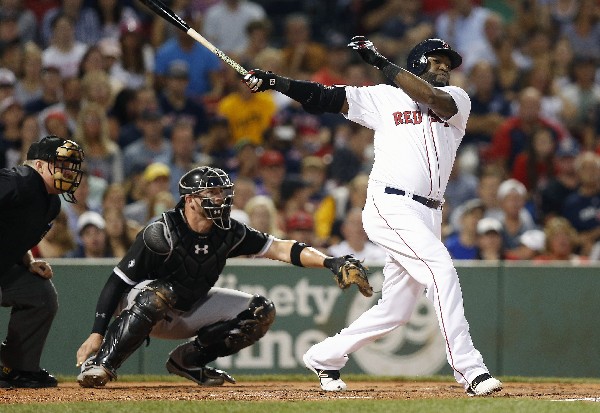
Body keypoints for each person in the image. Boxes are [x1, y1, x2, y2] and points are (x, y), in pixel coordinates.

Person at [243, 36, 503, 396]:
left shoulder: (458, 99)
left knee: (397, 310)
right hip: (390, 204)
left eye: (448, 63)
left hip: (429, 213)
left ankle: (325, 355)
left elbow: (431, 99)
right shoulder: (385, 98)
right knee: (441, 270)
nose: (444, 67)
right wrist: (276, 82)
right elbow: (324, 96)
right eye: (436, 60)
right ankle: (469, 368)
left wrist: (381, 62)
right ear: (415, 63)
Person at [75, 166, 364, 388]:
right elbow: (118, 280)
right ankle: (101, 364)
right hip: (142, 306)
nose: (220, 199)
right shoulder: (161, 232)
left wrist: (330, 261)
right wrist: (96, 333)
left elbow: (280, 248)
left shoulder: (229, 231)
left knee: (260, 311)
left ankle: (187, 361)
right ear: (189, 200)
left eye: (222, 193)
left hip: (187, 307)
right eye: (211, 194)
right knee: (161, 293)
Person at [0, 135, 84, 388]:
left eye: (70, 166)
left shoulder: (51, 203)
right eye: (60, 164)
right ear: (37, 165)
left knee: (40, 294)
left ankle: (18, 367)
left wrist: (28, 260)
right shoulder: (18, 180)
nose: (68, 171)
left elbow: (15, 236)